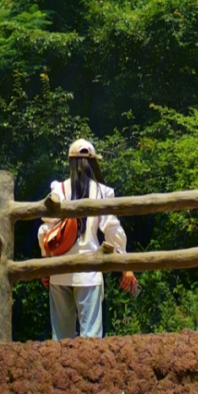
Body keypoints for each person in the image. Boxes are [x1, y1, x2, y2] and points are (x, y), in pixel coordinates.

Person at [38, 138, 133, 341]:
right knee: (91, 343)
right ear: (92, 163)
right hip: (89, 273)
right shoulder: (101, 192)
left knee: (61, 342)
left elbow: (45, 230)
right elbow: (112, 230)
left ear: (70, 163)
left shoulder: (59, 191)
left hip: (59, 271)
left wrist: (46, 263)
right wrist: (125, 265)